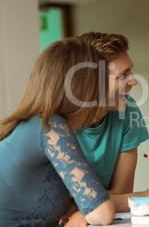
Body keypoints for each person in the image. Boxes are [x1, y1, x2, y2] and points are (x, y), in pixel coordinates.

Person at [57, 32, 149, 221]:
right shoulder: (55, 123)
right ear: (92, 82)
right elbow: (58, 206)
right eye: (122, 75)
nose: (133, 81)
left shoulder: (128, 109)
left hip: (100, 219)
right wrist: (145, 196)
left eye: (130, 71)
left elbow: (122, 192)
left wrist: (83, 207)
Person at [0, 38, 115, 226]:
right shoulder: (51, 126)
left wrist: (82, 211)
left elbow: (87, 205)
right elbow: (101, 213)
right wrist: (85, 213)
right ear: (83, 90)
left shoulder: (36, 124)